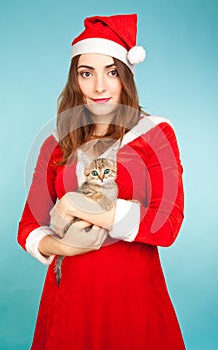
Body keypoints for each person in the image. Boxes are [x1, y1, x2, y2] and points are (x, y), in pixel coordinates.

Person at [18, 14, 186, 350]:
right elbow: (28, 227)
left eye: (111, 72)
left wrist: (75, 206)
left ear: (126, 75)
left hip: (132, 299)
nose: (99, 87)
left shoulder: (155, 134)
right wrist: (63, 247)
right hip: (68, 298)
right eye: (86, 73)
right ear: (74, 79)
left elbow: (167, 224)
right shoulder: (55, 142)